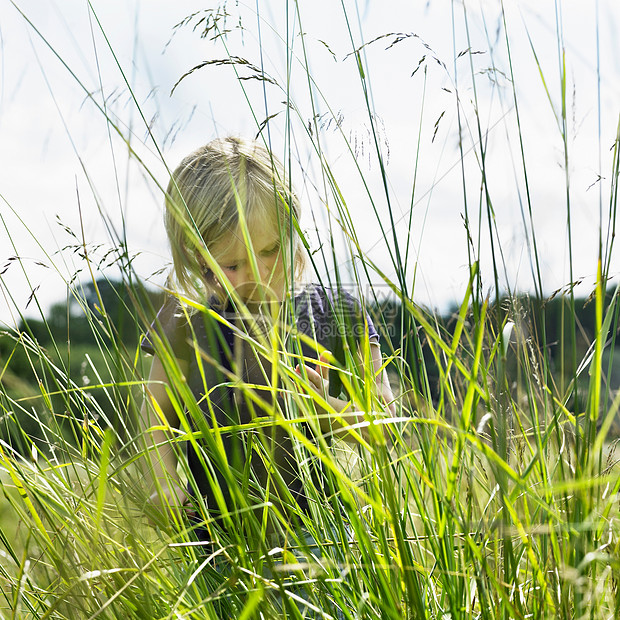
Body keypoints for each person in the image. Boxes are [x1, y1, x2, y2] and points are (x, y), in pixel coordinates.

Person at [139, 136, 395, 608]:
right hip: (212, 543)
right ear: (198, 258)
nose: (258, 274)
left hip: (318, 536)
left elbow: (385, 425)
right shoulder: (185, 319)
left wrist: (321, 407)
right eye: (233, 263)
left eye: (273, 250)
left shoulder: (336, 313)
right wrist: (162, 481)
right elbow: (155, 413)